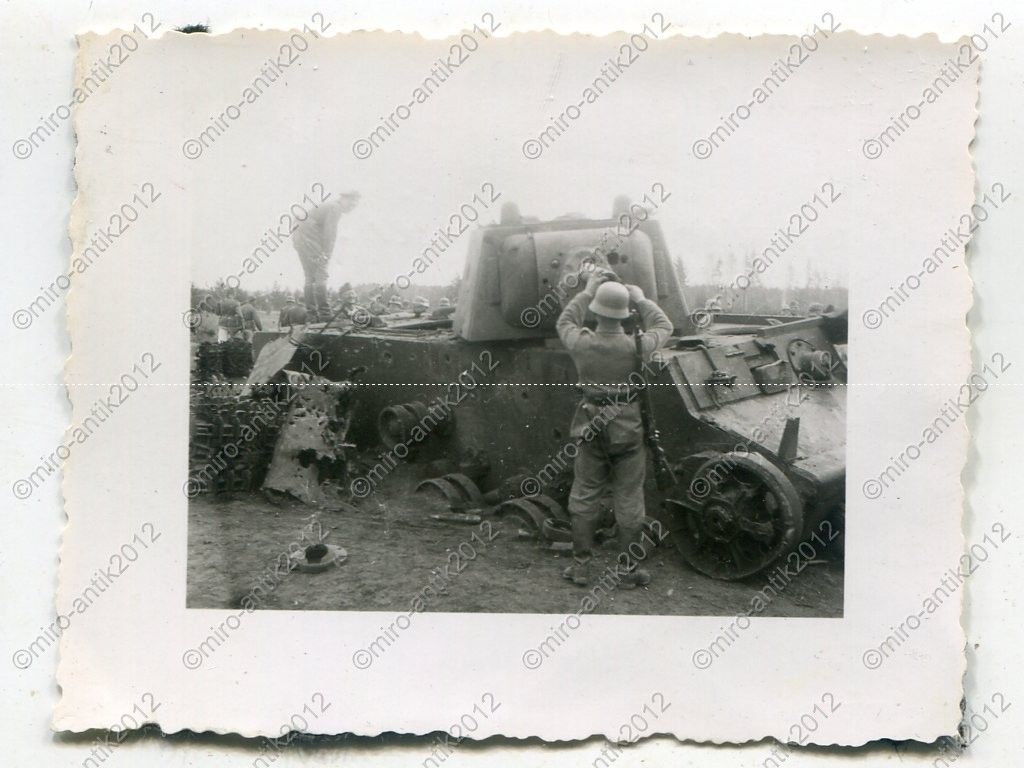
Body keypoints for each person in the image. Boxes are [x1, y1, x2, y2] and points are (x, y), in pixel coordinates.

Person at [555, 273, 672, 589]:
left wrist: (586, 291)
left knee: (584, 495)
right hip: (628, 430)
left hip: (591, 427)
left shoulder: (582, 342)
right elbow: (665, 326)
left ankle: (581, 568)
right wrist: (640, 297)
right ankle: (627, 570)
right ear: (625, 314)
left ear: (595, 312)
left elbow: (565, 321)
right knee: (630, 499)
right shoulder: (638, 346)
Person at [291, 192, 361, 321]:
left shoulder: (327, 206)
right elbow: (330, 232)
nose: (353, 206)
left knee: (309, 276)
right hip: (309, 235)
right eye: (352, 202)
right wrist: (326, 254)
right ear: (343, 198)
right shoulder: (335, 208)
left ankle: (312, 314)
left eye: (355, 204)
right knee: (321, 274)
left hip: (299, 235)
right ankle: (324, 314)